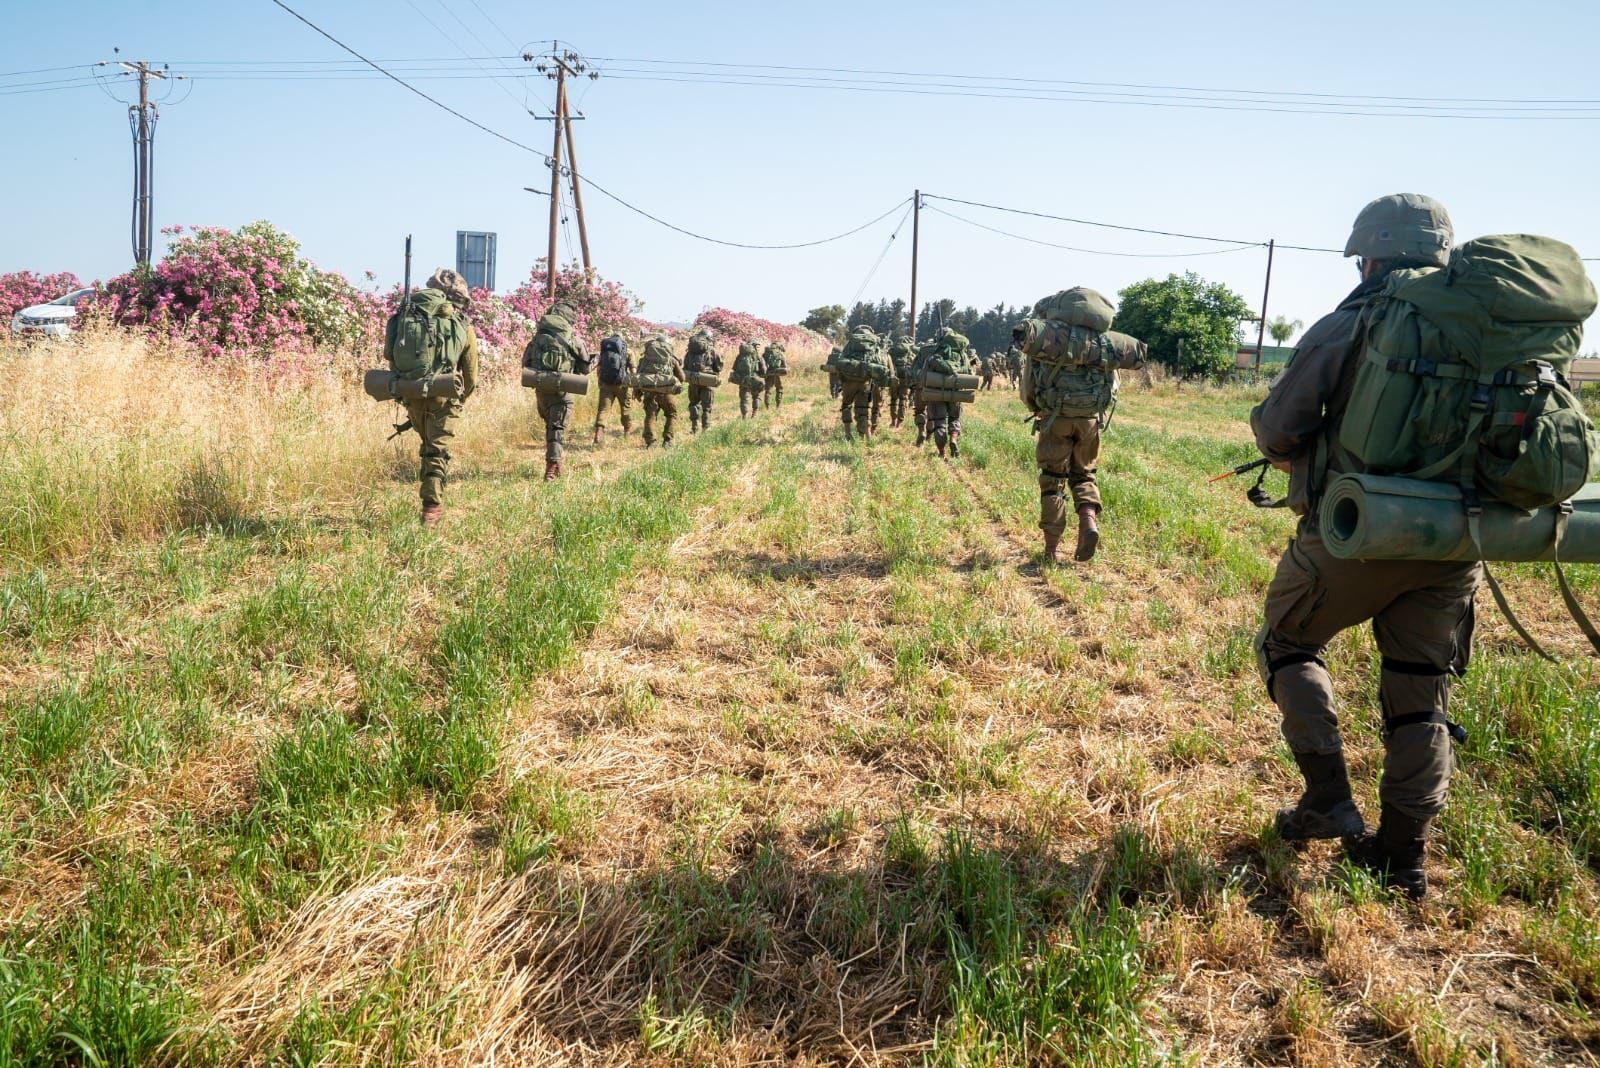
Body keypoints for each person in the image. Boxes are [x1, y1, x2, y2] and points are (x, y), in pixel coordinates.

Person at [1250, 194, 1469, 899]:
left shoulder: (1355, 321)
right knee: (1420, 697)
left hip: (1355, 534)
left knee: (1286, 643)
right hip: (1454, 544)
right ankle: (1402, 859)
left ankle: (1327, 799)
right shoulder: (1480, 330)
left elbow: (1279, 430)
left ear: (1370, 255)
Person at [1016, 288, 1146, 563]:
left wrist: (1037, 409)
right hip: (1090, 421)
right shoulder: (1102, 344)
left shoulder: (1048, 342)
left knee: (1053, 481)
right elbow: (1113, 384)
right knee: (1085, 476)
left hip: (1056, 419)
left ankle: (1051, 551)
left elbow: (1028, 387)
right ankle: (1088, 523)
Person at [384, 268, 479, 527]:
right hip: (445, 395)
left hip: (412, 393)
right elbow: (471, 374)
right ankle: (431, 507)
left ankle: (430, 498)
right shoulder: (459, 323)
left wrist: (407, 389)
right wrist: (460, 398)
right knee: (437, 450)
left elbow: (391, 357)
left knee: (428, 446)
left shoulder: (403, 316)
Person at [523, 299, 591, 480]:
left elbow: (525, 362)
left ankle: (558, 464)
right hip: (562, 391)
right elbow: (585, 369)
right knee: (557, 429)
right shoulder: (573, 339)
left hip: (541, 389)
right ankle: (550, 470)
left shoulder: (538, 337)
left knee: (551, 428)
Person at [923, 327, 976, 459]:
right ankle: (953, 439)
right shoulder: (962, 354)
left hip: (936, 393)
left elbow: (925, 373)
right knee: (954, 418)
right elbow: (968, 372)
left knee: (939, 422)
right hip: (955, 392)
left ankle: (941, 452)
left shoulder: (935, 352)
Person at [637, 332, 686, 447]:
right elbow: (682, 378)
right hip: (666, 393)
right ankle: (667, 440)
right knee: (671, 414)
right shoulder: (672, 360)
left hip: (650, 393)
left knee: (650, 416)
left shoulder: (644, 359)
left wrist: (638, 391)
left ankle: (650, 442)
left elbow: (639, 376)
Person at [836, 324, 881, 440]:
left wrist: (841, 379)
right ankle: (865, 436)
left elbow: (841, 361)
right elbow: (878, 362)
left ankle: (848, 433)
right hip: (865, 381)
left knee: (846, 405)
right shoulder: (873, 343)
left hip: (849, 380)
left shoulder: (852, 342)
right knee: (863, 408)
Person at [592, 334, 634, 443]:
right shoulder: (628, 351)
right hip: (622, 384)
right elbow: (633, 370)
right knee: (625, 408)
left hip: (606, 384)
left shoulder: (605, 350)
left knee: (603, 409)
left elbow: (599, 369)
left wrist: (600, 382)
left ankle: (599, 432)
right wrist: (634, 385)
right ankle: (627, 432)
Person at [684, 329, 723, 433]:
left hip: (693, 381)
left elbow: (685, 366)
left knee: (693, 404)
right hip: (707, 380)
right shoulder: (712, 350)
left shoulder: (690, 350)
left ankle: (694, 427)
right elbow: (719, 367)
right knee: (706, 407)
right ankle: (705, 428)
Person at [887, 335, 917, 428]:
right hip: (905, 377)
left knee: (893, 399)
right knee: (903, 399)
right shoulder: (910, 351)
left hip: (894, 376)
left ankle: (893, 420)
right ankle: (899, 422)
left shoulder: (892, 350)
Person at [732, 340, 766, 419]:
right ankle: (754, 414)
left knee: (744, 398)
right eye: (757, 346)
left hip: (743, 379)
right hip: (755, 379)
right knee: (756, 396)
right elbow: (764, 370)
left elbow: (734, 368)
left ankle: (744, 416)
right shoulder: (758, 356)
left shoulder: (740, 355)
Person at [762, 341, 788, 409]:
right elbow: (785, 365)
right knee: (779, 388)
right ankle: (778, 405)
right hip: (778, 374)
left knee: (768, 390)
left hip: (769, 374)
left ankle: (767, 406)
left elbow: (762, 364)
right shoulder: (780, 354)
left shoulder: (766, 354)